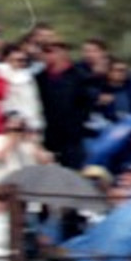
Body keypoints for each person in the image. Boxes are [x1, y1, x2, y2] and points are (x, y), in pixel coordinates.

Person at [35, 40, 89, 170]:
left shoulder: (80, 76)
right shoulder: (39, 78)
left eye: (51, 51)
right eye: (44, 52)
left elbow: (85, 105)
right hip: (49, 136)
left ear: (63, 53)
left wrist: (76, 125)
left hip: (72, 138)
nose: (46, 55)